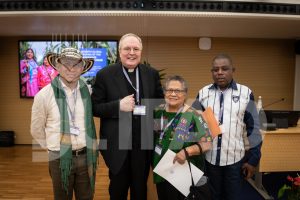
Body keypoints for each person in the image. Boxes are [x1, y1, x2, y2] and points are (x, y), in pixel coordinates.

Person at [91, 33, 164, 200]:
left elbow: (159, 104)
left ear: (141, 51)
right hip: (117, 145)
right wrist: (118, 106)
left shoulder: (151, 74)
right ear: (119, 51)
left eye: (136, 49)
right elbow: (94, 108)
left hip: (143, 145)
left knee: (140, 190)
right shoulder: (105, 74)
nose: (132, 52)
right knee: (118, 190)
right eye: (127, 48)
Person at [31, 47, 98, 200]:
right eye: (66, 63)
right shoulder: (43, 95)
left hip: (85, 155)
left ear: (82, 68)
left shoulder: (87, 91)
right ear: (58, 66)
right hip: (59, 158)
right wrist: (53, 149)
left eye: (76, 64)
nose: (71, 69)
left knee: (87, 197)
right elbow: (36, 129)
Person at [192, 53, 262, 200]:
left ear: (232, 70)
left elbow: (254, 128)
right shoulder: (203, 93)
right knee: (211, 197)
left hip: (235, 161)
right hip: (209, 160)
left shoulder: (245, 93)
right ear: (212, 72)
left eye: (224, 69)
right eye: (215, 69)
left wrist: (253, 160)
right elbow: (194, 124)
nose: (220, 73)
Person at [153, 75, 212, 200]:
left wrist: (187, 151)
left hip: (184, 172)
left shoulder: (194, 115)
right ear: (164, 92)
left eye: (178, 91)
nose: (173, 94)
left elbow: (207, 144)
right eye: (169, 90)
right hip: (163, 171)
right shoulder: (158, 112)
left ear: (185, 94)